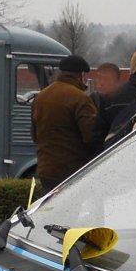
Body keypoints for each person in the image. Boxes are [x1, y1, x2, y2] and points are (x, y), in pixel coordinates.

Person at [30, 53, 100, 190]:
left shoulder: (41, 96)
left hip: (46, 169)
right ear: (81, 75)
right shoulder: (80, 98)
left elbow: (34, 135)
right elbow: (91, 136)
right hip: (71, 171)